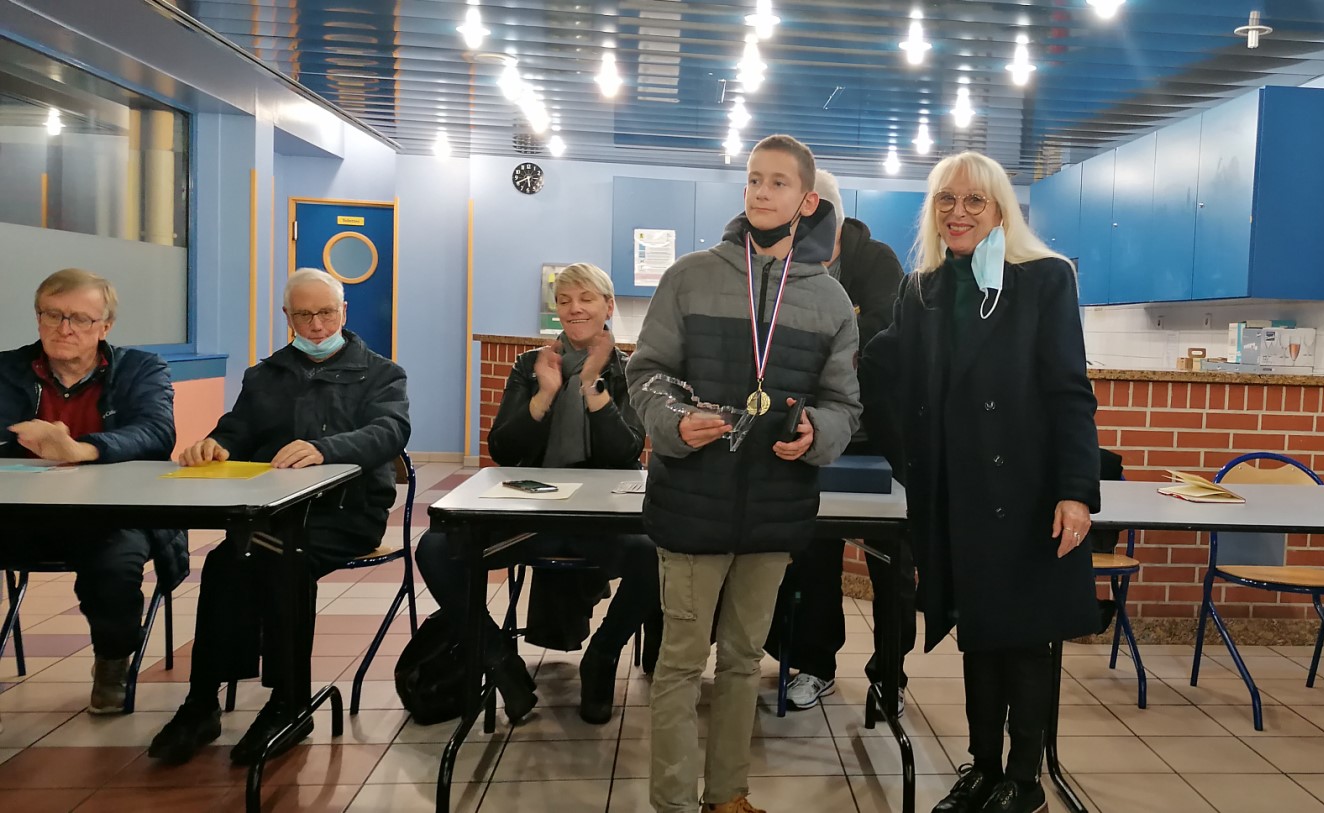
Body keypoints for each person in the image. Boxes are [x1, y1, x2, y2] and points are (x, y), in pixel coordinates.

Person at [859, 151, 1101, 813]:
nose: (958, 212)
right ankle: (984, 767)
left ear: (1000, 210)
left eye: (974, 200)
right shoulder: (923, 289)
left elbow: (1070, 392)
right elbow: (877, 368)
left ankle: (1024, 780)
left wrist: (1076, 489)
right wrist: (906, 458)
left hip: (1027, 494)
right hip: (957, 496)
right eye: (946, 200)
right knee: (979, 635)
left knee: (1023, 638)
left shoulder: (1045, 277)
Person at [628, 134, 862, 813]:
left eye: (778, 182)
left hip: (775, 510)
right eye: (754, 179)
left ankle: (727, 793)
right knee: (679, 663)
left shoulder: (832, 302)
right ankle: (674, 801)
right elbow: (646, 374)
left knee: (742, 661)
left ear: (807, 201)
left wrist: (818, 432)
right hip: (691, 501)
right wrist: (674, 422)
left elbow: (844, 405)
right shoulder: (690, 277)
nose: (761, 191)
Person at [147, 268, 411, 766]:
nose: (317, 325)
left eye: (326, 313)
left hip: (346, 513)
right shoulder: (266, 374)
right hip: (275, 512)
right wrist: (214, 444)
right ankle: (202, 702)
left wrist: (325, 449)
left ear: (344, 311)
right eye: (304, 315)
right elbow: (237, 429)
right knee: (226, 562)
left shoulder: (380, 373)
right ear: (287, 316)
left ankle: (290, 702)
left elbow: (390, 432)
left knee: (285, 561)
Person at [415, 261, 655, 726]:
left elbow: (625, 451)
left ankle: (603, 656)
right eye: (564, 301)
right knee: (436, 548)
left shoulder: (630, 369)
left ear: (608, 306)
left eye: (585, 299)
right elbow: (503, 449)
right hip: (534, 517)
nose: (574, 309)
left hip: (602, 521)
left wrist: (592, 387)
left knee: (658, 552)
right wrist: (544, 395)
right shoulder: (530, 366)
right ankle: (499, 660)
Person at [0, 269, 185, 715]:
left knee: (114, 565)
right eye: (53, 315)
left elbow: (157, 433)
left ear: (105, 327)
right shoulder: (6, 370)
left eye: (80, 319)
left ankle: (112, 660)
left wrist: (82, 450)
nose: (65, 329)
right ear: (38, 318)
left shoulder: (141, 369)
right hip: (22, 514)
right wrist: (27, 440)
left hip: (113, 515)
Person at [764, 169, 915, 712]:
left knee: (891, 565)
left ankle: (890, 675)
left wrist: (817, 342)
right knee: (812, 556)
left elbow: (879, 336)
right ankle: (816, 665)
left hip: (880, 437)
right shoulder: (786, 264)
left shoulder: (876, 260)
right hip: (814, 430)